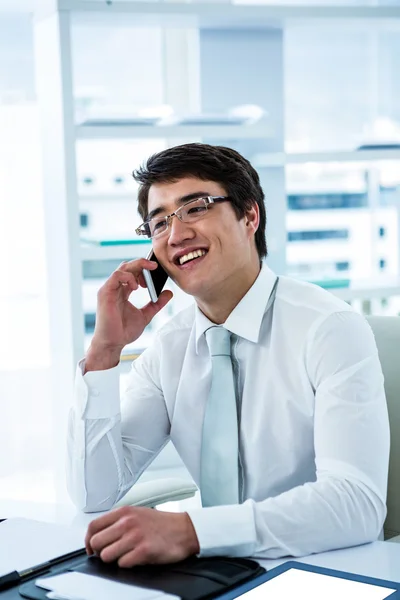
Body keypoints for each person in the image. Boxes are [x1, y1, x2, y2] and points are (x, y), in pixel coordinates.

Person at [67, 143, 390, 568]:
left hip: (327, 568)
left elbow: (357, 505)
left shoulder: (329, 329)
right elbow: (95, 493)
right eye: (159, 222)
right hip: (213, 568)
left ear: (249, 216)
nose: (177, 234)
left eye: (195, 208)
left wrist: (192, 531)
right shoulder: (170, 349)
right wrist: (105, 351)